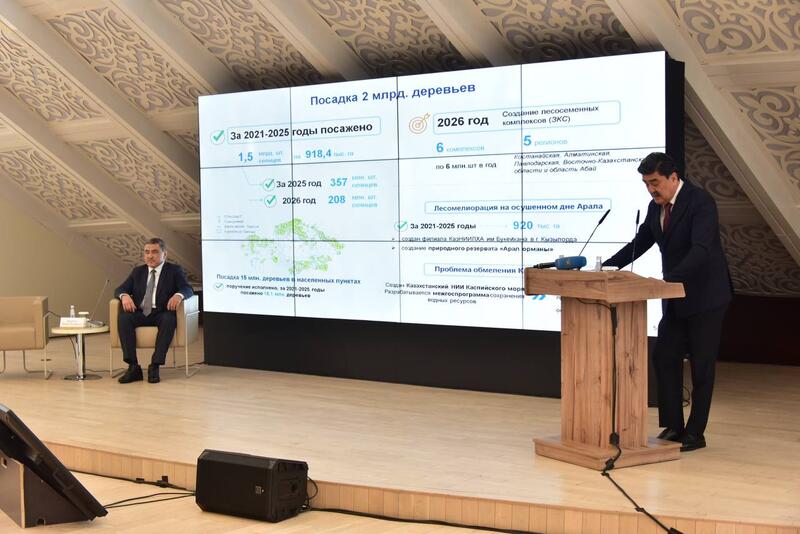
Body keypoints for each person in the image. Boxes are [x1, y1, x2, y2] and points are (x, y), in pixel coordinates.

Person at [603, 152, 731, 452]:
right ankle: (674, 425)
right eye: (646, 184)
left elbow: (701, 250)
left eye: (655, 182)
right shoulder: (655, 207)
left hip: (706, 296)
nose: (651, 189)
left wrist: (667, 280)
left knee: (701, 367)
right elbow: (640, 243)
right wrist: (608, 267)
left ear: (674, 178)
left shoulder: (700, 202)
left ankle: (695, 433)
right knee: (664, 357)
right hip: (674, 297)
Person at [115, 238, 193, 384]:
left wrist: (178, 295)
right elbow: (120, 288)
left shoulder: (174, 270)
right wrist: (124, 296)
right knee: (124, 318)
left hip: (162, 312)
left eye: (155, 252)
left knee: (169, 320)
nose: (150, 256)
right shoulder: (138, 271)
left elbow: (187, 288)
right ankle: (133, 367)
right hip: (140, 312)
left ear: (164, 254)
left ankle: (155, 366)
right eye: (147, 252)